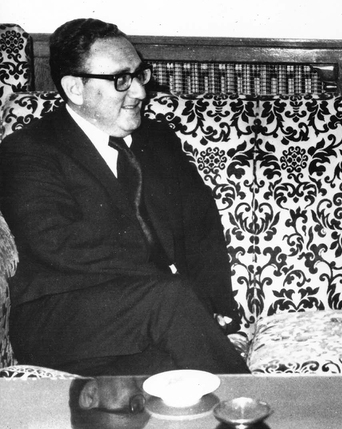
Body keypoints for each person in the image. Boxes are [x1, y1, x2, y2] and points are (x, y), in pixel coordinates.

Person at [0, 18, 250, 375]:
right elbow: (56, 243)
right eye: (121, 80)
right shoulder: (28, 150)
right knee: (170, 298)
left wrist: (216, 305)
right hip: (63, 320)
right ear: (75, 88)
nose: (140, 92)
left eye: (139, 75)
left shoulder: (158, 140)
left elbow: (201, 226)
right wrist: (166, 278)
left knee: (177, 374)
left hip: (147, 322)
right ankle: (251, 401)